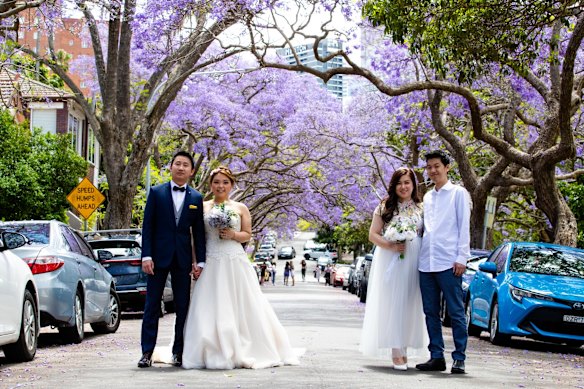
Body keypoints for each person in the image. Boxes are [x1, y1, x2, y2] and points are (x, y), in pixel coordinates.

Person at [182, 166, 298, 369]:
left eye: (225, 182)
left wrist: (233, 235)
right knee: (209, 304)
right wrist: (195, 261)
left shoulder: (240, 207)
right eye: (217, 182)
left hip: (234, 259)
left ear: (231, 185)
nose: (220, 186)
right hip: (210, 259)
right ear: (211, 185)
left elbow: (247, 234)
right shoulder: (202, 206)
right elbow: (196, 237)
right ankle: (209, 347)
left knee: (242, 303)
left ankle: (246, 344)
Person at [138, 151, 206, 368]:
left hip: (183, 259)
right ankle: (147, 352)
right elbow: (147, 226)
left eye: (186, 165)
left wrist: (200, 261)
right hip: (157, 258)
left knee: (183, 307)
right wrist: (146, 255)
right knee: (151, 306)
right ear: (170, 167)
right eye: (177, 163)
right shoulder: (156, 193)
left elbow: (199, 233)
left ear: (191, 171)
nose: (181, 168)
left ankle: (179, 352)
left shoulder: (196, 198)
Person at [359, 167, 427, 371]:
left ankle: (404, 346)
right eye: (399, 183)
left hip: (415, 258)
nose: (403, 187)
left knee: (410, 303)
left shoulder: (422, 207)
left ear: (413, 184)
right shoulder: (384, 207)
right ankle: (397, 351)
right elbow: (373, 234)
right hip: (391, 259)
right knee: (394, 302)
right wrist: (391, 245)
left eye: (407, 182)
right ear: (393, 186)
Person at [415, 150, 471, 375]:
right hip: (426, 262)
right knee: (430, 312)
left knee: (456, 312)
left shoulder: (458, 193)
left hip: (449, 262)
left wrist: (461, 257)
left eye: (436, 166)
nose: (432, 171)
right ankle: (436, 356)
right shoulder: (428, 197)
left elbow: (464, 226)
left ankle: (459, 358)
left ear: (447, 167)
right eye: (429, 167)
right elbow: (423, 229)